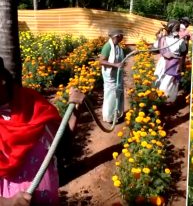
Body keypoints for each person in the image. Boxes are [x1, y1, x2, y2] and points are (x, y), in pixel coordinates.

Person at [0, 58, 84, 205]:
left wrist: (75, 111)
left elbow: (61, 143)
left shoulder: (33, 103)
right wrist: (7, 202)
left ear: (2, 80)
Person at [153, 20, 187, 104]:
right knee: (158, 80)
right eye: (176, 27)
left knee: (168, 84)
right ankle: (159, 101)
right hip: (163, 63)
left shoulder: (180, 41)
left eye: (178, 28)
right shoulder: (162, 39)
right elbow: (154, 50)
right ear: (171, 28)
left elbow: (183, 53)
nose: (178, 29)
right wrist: (158, 39)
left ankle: (167, 101)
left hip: (173, 65)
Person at [99, 29, 125, 123]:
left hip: (116, 75)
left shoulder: (117, 47)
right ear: (117, 36)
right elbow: (101, 61)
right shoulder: (108, 46)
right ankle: (109, 116)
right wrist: (116, 65)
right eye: (122, 36)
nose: (123, 38)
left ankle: (117, 114)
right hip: (110, 76)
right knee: (111, 95)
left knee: (118, 93)